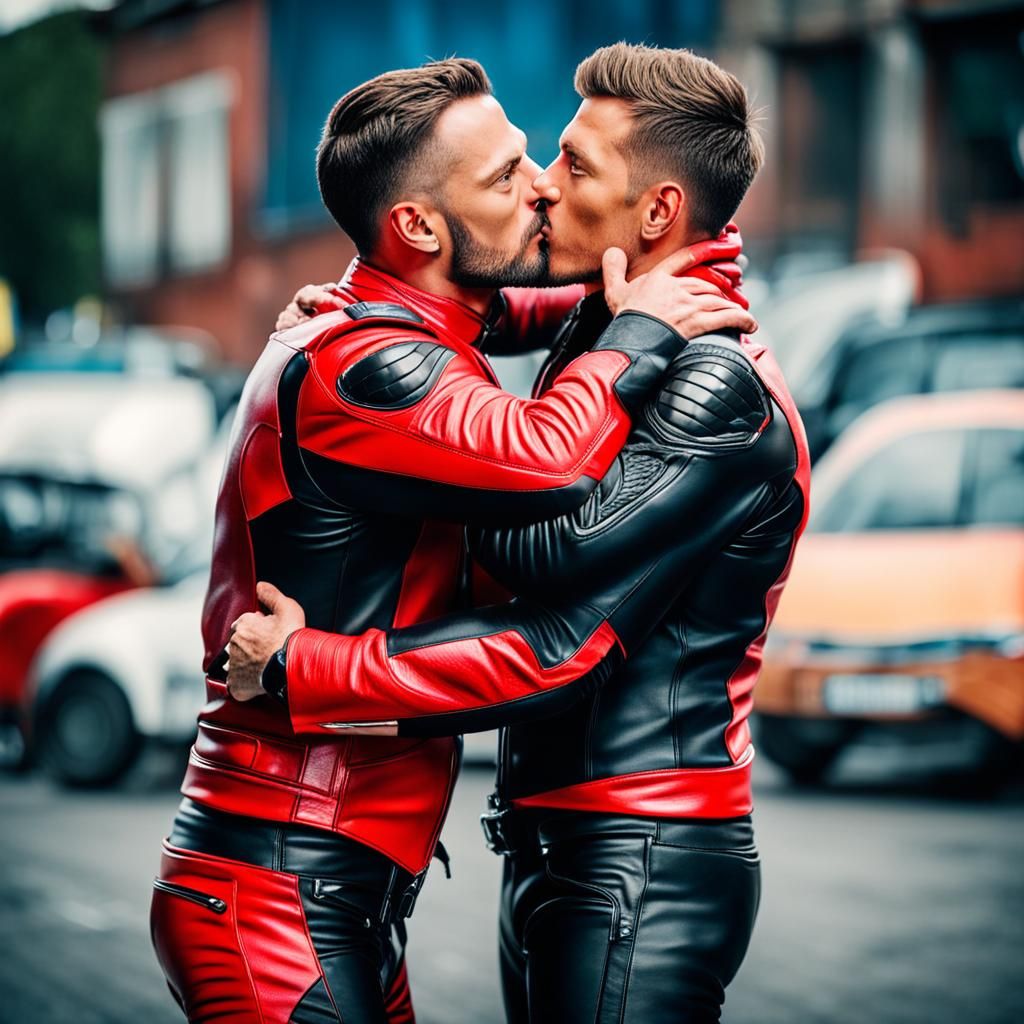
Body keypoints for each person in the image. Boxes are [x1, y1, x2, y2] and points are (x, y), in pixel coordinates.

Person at [149, 55, 753, 1024]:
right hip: (273, 877)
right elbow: (551, 456)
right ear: (420, 227)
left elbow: (562, 294)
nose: (542, 187)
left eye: (541, 159)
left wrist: (687, 261)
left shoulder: (409, 321)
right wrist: (640, 329)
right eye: (508, 176)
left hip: (336, 883)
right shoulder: (372, 363)